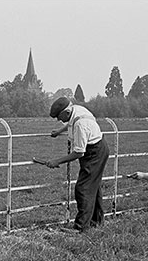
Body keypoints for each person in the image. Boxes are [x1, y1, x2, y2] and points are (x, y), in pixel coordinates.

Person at [46, 96, 109, 233]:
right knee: (93, 186)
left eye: (59, 116)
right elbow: (70, 123)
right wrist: (59, 131)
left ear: (67, 112)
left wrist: (57, 161)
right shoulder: (77, 110)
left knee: (83, 188)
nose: (58, 119)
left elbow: (79, 153)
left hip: (93, 153)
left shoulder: (81, 124)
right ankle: (97, 221)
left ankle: (81, 227)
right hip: (99, 147)